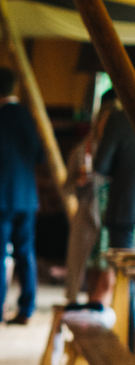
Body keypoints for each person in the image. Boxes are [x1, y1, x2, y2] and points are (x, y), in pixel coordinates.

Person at [0, 66, 44, 327]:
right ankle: (27, 309)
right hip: (26, 197)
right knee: (25, 254)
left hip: (0, 197)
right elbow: (40, 155)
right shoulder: (28, 117)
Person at [64, 92, 117, 304]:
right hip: (87, 215)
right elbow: (67, 187)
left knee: (108, 273)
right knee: (87, 268)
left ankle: (98, 310)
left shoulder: (122, 148)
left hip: (113, 217)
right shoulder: (81, 150)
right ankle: (87, 310)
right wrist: (79, 182)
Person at [94, 94, 135, 249]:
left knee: (121, 261)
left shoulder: (119, 119)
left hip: (126, 206)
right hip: (126, 208)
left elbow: (101, 165)